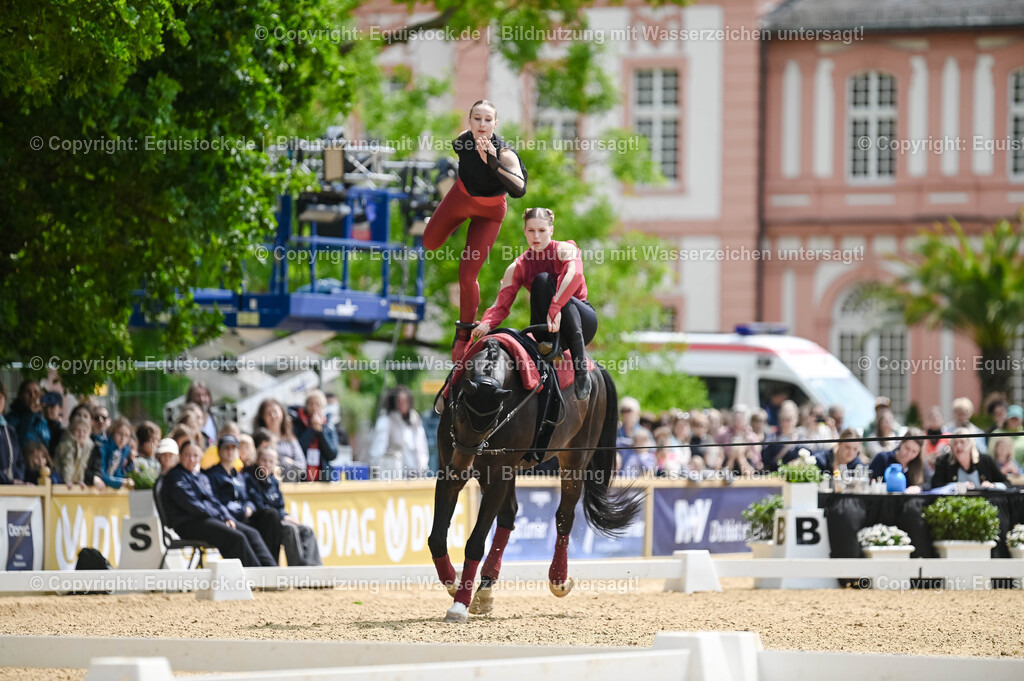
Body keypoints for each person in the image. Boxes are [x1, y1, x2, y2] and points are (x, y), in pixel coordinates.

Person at [423, 99, 528, 361]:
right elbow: (461, 154)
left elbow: (519, 189)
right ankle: (454, 226)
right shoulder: (462, 141)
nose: (482, 124)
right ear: (469, 122)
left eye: (487, 120)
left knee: (467, 273)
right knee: (429, 242)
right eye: (477, 119)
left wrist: (492, 162)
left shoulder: (504, 153)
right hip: (460, 198)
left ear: (495, 124)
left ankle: (465, 332)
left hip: (489, 212)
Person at [160, 441, 276, 567]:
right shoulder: (176, 477)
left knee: (252, 533)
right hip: (188, 522)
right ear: (180, 456)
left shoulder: (200, 476)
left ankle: (271, 573)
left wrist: (227, 517)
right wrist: (220, 517)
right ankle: (256, 578)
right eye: (188, 455)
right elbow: (193, 506)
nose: (192, 459)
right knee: (236, 537)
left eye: (195, 455)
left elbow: (214, 501)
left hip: (209, 518)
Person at [204, 435, 280, 564]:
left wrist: (250, 507)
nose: (229, 451)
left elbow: (248, 498)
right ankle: (266, 572)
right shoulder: (211, 475)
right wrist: (229, 514)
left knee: (271, 516)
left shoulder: (239, 476)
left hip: (243, 515)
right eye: (226, 448)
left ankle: (272, 566)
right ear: (219, 451)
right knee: (251, 534)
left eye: (233, 448)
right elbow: (214, 501)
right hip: (228, 518)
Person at [246, 446, 323, 566]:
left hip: (279, 518)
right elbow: (259, 506)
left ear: (275, 464)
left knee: (307, 530)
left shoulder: (274, 482)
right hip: (265, 523)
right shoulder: (250, 479)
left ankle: (313, 569)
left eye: (271, 461)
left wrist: (286, 516)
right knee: (290, 529)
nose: (267, 464)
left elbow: (280, 506)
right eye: (264, 460)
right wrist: (283, 517)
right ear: (257, 461)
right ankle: (299, 573)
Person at [368, 385, 429, 479]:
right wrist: (376, 471)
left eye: (405, 401)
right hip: (393, 475)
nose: (402, 405)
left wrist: (423, 468)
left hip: (415, 474)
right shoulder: (386, 421)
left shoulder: (414, 419)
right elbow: (378, 449)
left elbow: (421, 447)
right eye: (399, 401)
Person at [931, 428, 1009, 489]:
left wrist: (993, 485)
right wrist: (957, 486)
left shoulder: (986, 460)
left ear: (970, 444)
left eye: (962, 442)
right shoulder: (943, 461)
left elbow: (1006, 483)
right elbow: (936, 485)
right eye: (955, 443)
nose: (958, 446)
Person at [254, 398, 306, 482]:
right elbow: (259, 465)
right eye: (268, 414)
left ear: (282, 413)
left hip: (290, 488)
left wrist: (278, 464)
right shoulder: (259, 438)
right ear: (262, 417)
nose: (273, 416)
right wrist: (287, 462)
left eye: (275, 412)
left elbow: (302, 466)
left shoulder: (291, 439)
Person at [291, 390, 338, 482]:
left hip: (323, 477)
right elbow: (297, 449)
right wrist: (312, 429)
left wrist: (320, 432)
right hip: (302, 477)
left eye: (318, 404)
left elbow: (332, 454)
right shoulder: (297, 424)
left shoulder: (329, 426)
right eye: (311, 404)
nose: (314, 408)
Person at [868, 427, 927, 492]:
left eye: (914, 451)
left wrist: (918, 488)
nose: (909, 454)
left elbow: (928, 484)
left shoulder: (920, 465)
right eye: (907, 448)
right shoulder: (882, 459)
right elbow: (869, 480)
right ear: (901, 443)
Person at [5, 380, 50, 453]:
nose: (32, 396)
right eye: (28, 392)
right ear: (21, 395)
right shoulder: (11, 418)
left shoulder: (41, 419)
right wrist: (29, 414)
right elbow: (17, 442)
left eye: (36, 392)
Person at [54, 415, 96, 488]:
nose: (81, 434)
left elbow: (82, 465)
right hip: (59, 478)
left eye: (84, 431)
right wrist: (67, 481)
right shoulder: (67, 444)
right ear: (72, 431)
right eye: (78, 430)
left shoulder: (87, 446)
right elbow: (67, 464)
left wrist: (80, 481)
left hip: (72, 480)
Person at [92, 416, 134, 489]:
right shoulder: (102, 447)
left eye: (126, 435)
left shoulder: (123, 451)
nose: (123, 438)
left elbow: (116, 474)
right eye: (120, 433)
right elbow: (102, 475)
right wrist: (122, 482)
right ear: (113, 433)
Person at [0, 384, 26, 485]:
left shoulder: (9, 430)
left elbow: (19, 460)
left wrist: (18, 479)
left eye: (0, 398)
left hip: (11, 489)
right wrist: (8, 481)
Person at [186, 381, 219, 446]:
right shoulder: (184, 420)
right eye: (197, 396)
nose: (202, 399)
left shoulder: (217, 419)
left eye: (205, 395)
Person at [41, 391, 64, 459]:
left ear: (60, 407)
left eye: (52, 406)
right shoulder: (38, 425)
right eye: (45, 406)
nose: (48, 410)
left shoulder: (62, 429)